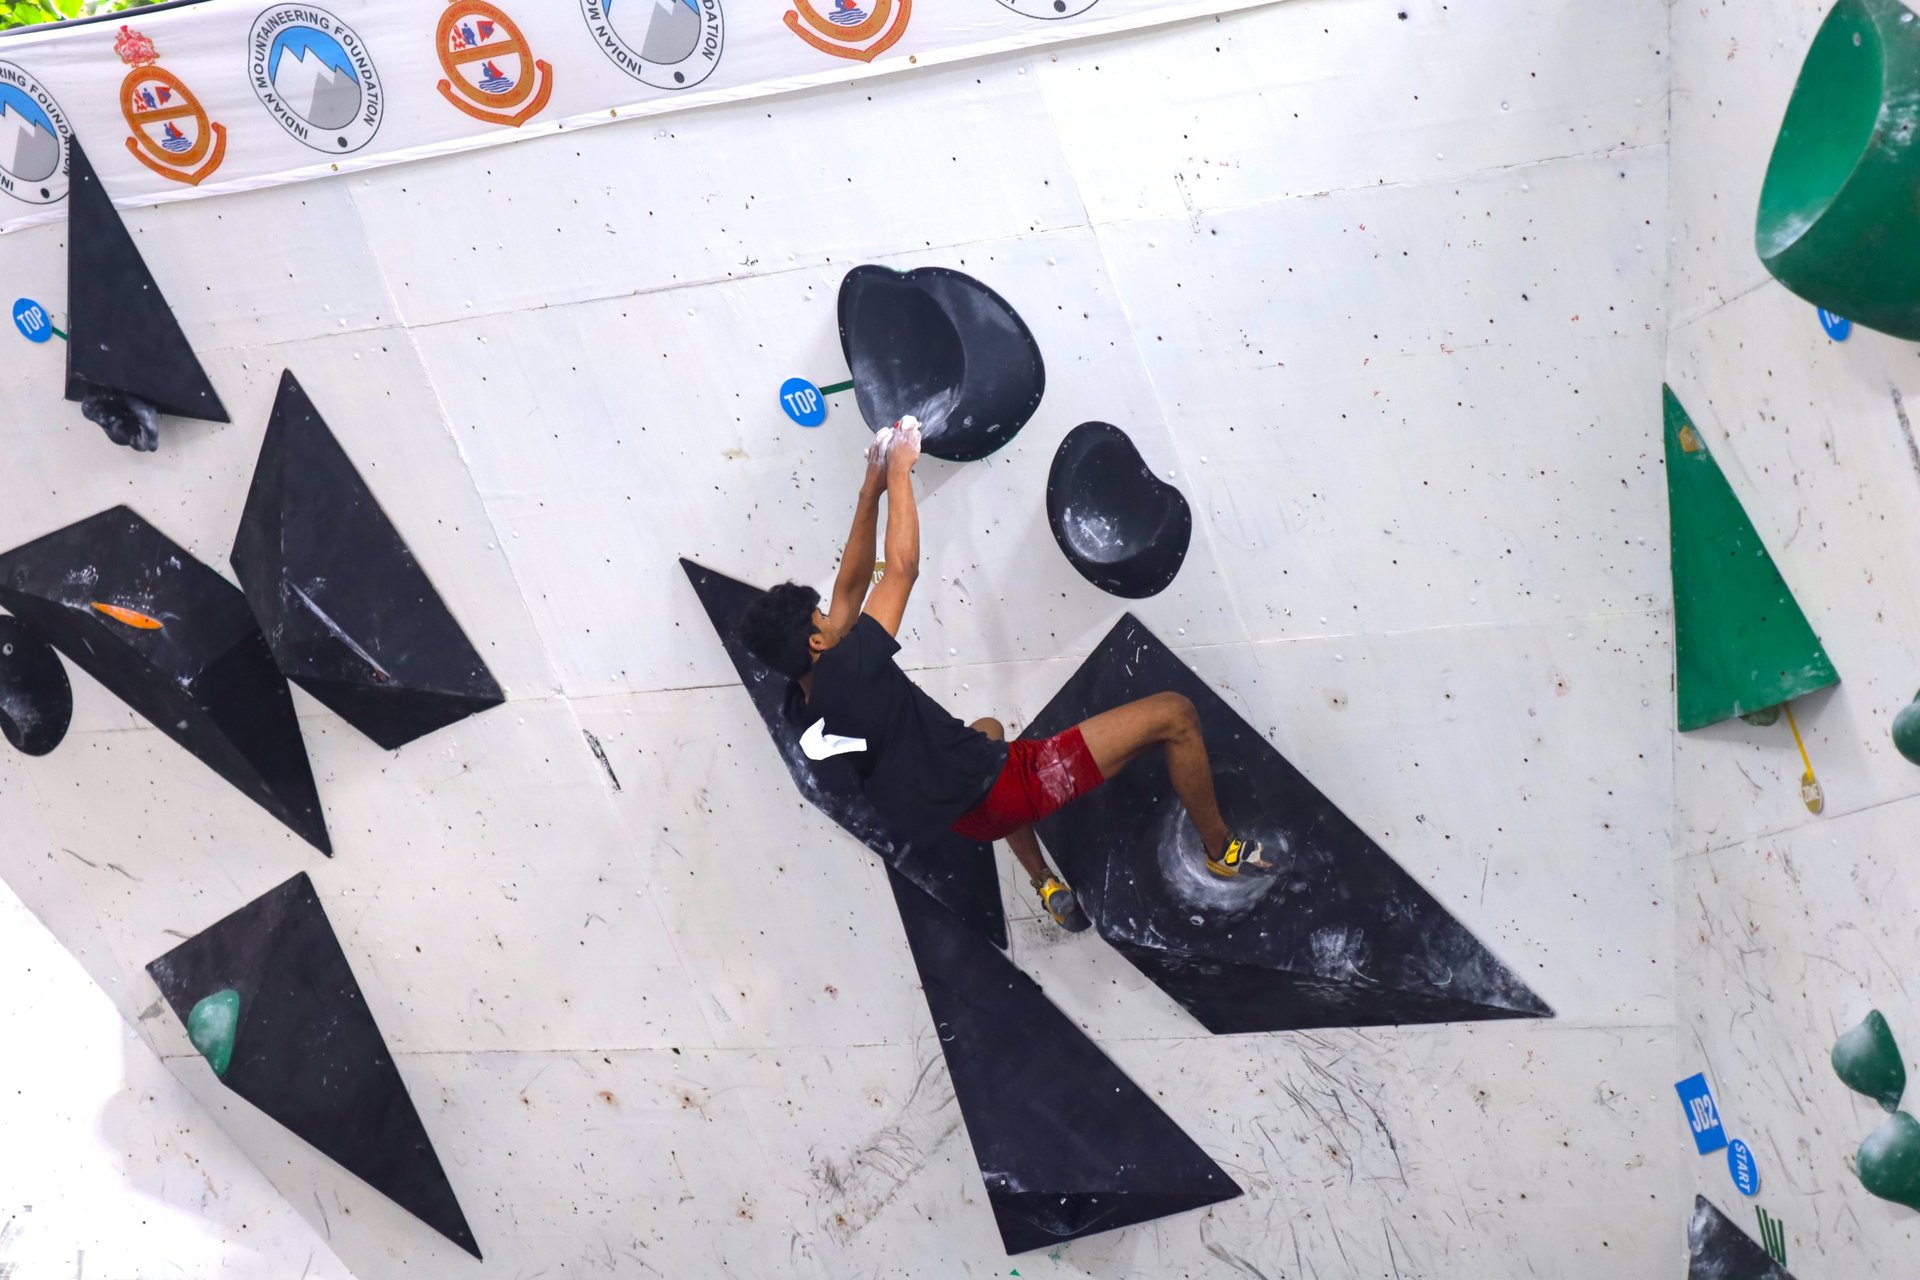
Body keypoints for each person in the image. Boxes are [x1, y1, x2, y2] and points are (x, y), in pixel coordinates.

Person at [737, 418, 1272, 932]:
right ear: (817, 644)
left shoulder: (803, 703)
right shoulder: (853, 667)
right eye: (823, 620)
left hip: (964, 818)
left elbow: (850, 588)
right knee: (1174, 715)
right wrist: (899, 470)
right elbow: (900, 569)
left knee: (988, 729)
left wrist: (870, 489)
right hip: (1011, 788)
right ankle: (1220, 850)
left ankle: (1043, 882)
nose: (834, 617)